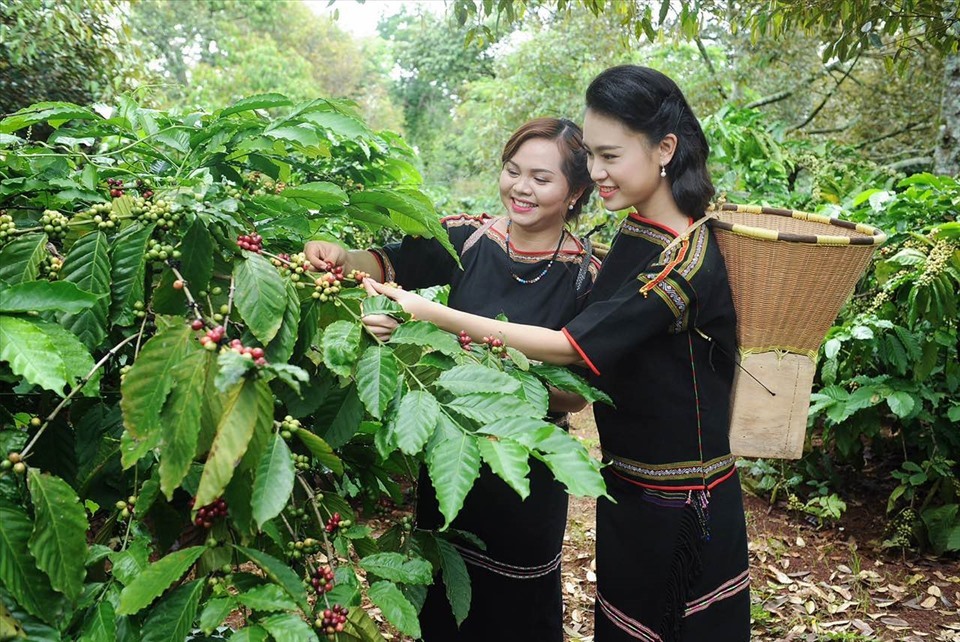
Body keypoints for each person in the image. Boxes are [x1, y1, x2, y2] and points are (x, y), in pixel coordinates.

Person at [362, 66, 751, 642]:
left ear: (665, 148)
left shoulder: (683, 258)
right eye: (591, 156)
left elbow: (572, 349)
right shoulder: (636, 233)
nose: (597, 172)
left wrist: (427, 316)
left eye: (609, 156)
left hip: (681, 500)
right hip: (629, 486)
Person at [304, 118, 599, 642]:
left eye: (541, 178)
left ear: (575, 191)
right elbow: (384, 263)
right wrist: (336, 255)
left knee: (516, 608)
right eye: (512, 171)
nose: (521, 188)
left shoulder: (587, 274)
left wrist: (438, 348)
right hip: (450, 450)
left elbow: (573, 395)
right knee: (446, 590)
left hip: (529, 464)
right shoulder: (467, 237)